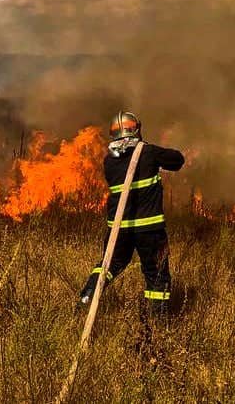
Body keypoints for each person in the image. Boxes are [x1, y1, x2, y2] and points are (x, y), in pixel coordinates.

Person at [79, 111, 185, 315]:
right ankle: (157, 323)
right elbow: (177, 160)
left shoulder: (109, 161)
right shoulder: (148, 152)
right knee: (156, 273)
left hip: (119, 229)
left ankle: (87, 296)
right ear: (137, 129)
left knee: (110, 265)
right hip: (149, 230)